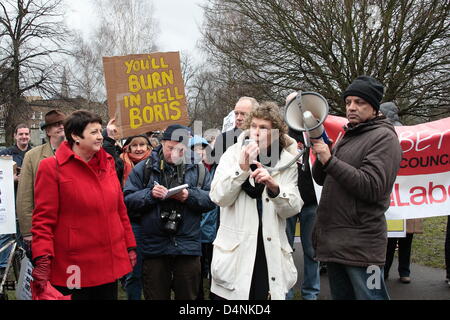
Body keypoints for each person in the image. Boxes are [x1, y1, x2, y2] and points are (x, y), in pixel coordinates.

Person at [311, 75, 403, 300]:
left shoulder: (383, 138)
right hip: (338, 244)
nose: (351, 107)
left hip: (364, 250)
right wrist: (320, 153)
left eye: (359, 102)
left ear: (374, 107)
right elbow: (323, 179)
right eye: (348, 102)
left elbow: (372, 187)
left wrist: (331, 161)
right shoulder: (348, 134)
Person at [31, 110, 137, 300]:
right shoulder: (51, 167)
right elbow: (43, 220)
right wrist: (43, 258)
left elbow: (120, 211)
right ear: (75, 136)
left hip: (107, 263)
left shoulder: (108, 163)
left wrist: (130, 245)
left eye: (100, 131)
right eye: (94, 132)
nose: (100, 137)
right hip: (73, 265)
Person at [209, 101, 302, 300]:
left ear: (275, 132)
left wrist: (275, 188)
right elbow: (218, 197)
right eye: (253, 126)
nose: (256, 132)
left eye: (264, 128)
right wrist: (241, 170)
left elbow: (293, 208)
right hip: (236, 252)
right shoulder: (232, 154)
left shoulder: (287, 161)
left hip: (267, 252)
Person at [123, 124, 216, 300]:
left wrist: (189, 196)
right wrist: (150, 194)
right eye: (170, 148)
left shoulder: (199, 168)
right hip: (154, 246)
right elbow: (127, 200)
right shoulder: (144, 168)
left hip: (188, 246)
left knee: (188, 297)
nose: (174, 153)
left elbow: (212, 199)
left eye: (180, 149)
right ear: (162, 143)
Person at [380, 102, 423, 284]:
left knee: (390, 235)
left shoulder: (385, 134)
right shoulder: (409, 134)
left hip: (394, 192)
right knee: (407, 236)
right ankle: (404, 271)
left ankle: (385, 272)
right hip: (409, 194)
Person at [284, 92, 321, 300]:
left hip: (310, 203)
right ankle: (286, 291)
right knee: (285, 249)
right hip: (288, 201)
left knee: (311, 250)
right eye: (290, 105)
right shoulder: (282, 136)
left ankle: (310, 293)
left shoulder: (314, 131)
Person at [16, 110, 66, 255]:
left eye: (63, 124)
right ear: (48, 131)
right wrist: (27, 231)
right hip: (44, 226)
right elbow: (24, 195)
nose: (61, 127)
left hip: (70, 225)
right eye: (56, 125)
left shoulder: (77, 151)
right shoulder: (33, 156)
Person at [119, 134, 152, 300]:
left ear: (148, 147)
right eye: (134, 145)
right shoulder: (119, 164)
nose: (139, 149)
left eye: (142, 145)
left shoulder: (156, 164)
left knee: (154, 273)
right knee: (134, 271)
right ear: (128, 148)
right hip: (132, 223)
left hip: (154, 223)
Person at [189, 135, 219, 300]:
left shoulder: (218, 168)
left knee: (217, 268)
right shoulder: (188, 171)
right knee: (196, 270)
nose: (201, 152)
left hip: (215, 229)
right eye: (196, 149)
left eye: (204, 148)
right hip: (196, 230)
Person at [0, 123, 32, 276]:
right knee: (6, 234)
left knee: (26, 233)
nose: (24, 137)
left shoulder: (33, 153)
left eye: (26, 134)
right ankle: (2, 268)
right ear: (15, 136)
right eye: (21, 134)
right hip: (10, 199)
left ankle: (27, 265)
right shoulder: (6, 153)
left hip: (29, 200)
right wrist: (10, 178)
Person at [212, 97, 259, 162]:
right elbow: (217, 169)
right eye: (236, 113)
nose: (238, 118)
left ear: (255, 115)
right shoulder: (223, 139)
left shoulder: (263, 138)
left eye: (243, 114)